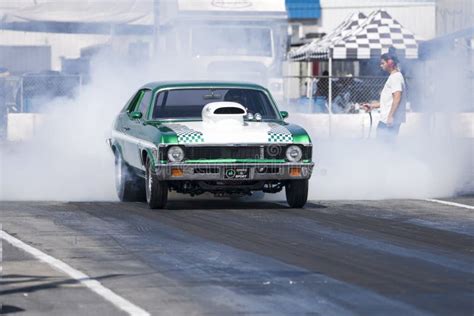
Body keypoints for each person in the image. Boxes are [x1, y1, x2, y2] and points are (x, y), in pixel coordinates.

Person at [362, 51, 406, 140]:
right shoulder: (394, 77)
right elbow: (389, 101)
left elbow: (397, 97)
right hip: (388, 119)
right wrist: (372, 106)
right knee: (385, 146)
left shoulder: (395, 77)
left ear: (390, 63)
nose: (381, 65)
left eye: (382, 63)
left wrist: (390, 116)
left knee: (385, 147)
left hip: (388, 120)